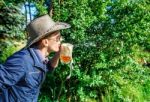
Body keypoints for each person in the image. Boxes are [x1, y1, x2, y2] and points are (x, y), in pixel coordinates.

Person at [0, 14, 70, 102]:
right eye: (57, 38)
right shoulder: (22, 61)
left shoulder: (40, 58)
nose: (60, 41)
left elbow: (49, 67)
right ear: (45, 42)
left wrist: (59, 53)